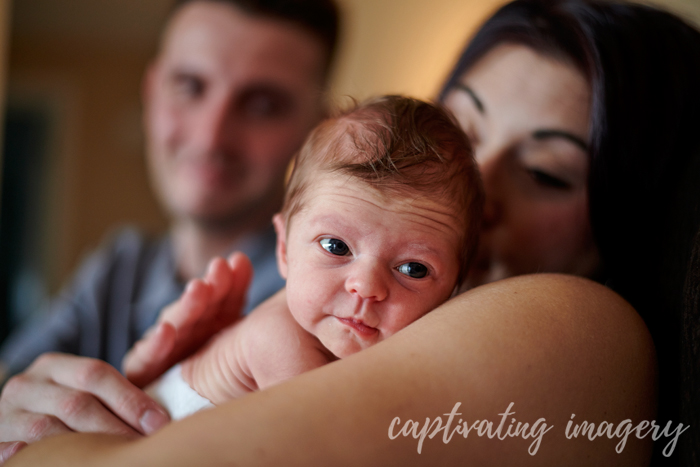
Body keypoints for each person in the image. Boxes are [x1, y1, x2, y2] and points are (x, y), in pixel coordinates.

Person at [4, 0, 700, 465]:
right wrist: (129, 384)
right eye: (462, 134)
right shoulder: (143, 265)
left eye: (547, 172)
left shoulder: (576, 327)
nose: (476, 188)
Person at [0, 0, 339, 446]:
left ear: (317, 131)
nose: (211, 136)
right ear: (152, 92)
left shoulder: (331, 303)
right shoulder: (120, 264)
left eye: (261, 104)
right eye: (190, 86)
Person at [147, 95, 483, 418]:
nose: (365, 287)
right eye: (336, 247)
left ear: (454, 291)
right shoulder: (279, 339)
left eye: (413, 269)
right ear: (284, 250)